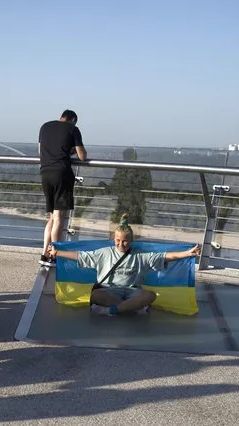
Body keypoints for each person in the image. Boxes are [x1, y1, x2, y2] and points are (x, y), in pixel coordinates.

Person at [48, 213, 200, 316]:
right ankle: (132, 307)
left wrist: (188, 254)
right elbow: (80, 256)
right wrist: (58, 253)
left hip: (132, 291)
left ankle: (112, 311)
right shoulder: (104, 253)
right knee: (95, 295)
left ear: (131, 241)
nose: (121, 244)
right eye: (118, 240)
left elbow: (167, 256)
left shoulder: (141, 256)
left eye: (125, 241)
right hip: (109, 291)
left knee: (151, 295)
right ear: (114, 239)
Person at [38, 109, 86, 268]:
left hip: (45, 172)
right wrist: (72, 149)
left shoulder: (45, 127)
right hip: (61, 173)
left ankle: (44, 253)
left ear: (61, 117)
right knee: (59, 216)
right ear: (72, 120)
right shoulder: (73, 129)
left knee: (51, 216)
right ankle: (54, 255)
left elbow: (41, 151)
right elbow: (82, 156)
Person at [109, 147, 152, 225]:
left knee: (121, 227)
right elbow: (148, 187)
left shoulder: (122, 169)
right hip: (129, 204)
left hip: (132, 204)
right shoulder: (143, 168)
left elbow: (114, 185)